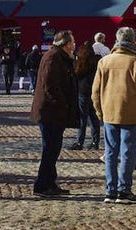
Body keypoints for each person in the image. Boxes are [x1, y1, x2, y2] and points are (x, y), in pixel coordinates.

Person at [93, 27, 136, 204]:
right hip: (132, 115)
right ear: (133, 40)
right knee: (128, 153)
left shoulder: (104, 62)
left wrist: (101, 112)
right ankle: (124, 190)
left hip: (110, 115)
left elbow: (95, 92)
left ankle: (110, 190)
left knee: (110, 152)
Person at [29, 30, 78, 197]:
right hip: (50, 111)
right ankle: (42, 185)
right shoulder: (53, 57)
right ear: (65, 44)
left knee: (53, 148)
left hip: (54, 111)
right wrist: (62, 104)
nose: (74, 45)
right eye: (72, 42)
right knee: (50, 148)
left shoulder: (59, 57)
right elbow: (50, 85)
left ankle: (50, 182)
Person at [70, 41, 101, 150]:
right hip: (94, 92)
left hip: (83, 92)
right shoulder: (97, 62)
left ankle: (80, 141)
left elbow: (75, 76)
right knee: (93, 117)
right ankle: (95, 141)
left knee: (82, 118)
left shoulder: (80, 63)